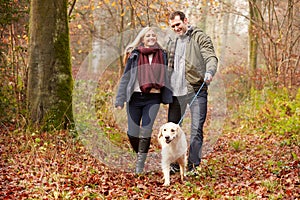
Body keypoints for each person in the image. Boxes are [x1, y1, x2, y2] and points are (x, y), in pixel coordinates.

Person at [166, 11, 218, 175]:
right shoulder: (172, 42)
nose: (176, 28)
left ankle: (193, 166)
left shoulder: (199, 37)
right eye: (173, 26)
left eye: (178, 24)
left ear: (185, 21)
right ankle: (175, 164)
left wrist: (210, 71)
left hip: (196, 89)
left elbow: (210, 56)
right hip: (176, 93)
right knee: (171, 131)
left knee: (196, 129)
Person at [115, 27, 172, 174]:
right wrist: (120, 99)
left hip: (153, 99)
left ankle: (140, 165)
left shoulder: (163, 54)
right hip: (134, 98)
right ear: (142, 39)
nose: (151, 38)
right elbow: (126, 77)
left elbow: (168, 74)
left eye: (154, 35)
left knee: (146, 130)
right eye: (148, 36)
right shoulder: (134, 55)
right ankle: (140, 154)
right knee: (132, 132)